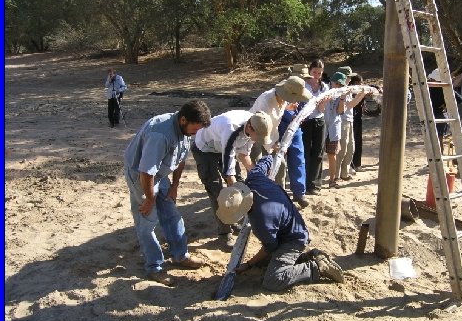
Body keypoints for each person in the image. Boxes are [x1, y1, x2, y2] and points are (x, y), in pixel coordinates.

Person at [216, 155, 345, 292]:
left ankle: (316, 267)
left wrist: (248, 264)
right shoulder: (254, 178)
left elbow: (269, 247)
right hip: (292, 225)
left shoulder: (261, 220)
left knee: (273, 279)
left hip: (294, 239)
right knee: (265, 263)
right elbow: (267, 160)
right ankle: (306, 257)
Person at [123, 100, 212, 284]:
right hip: (141, 176)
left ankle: (180, 256)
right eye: (195, 130)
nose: (197, 134)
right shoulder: (160, 135)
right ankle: (154, 267)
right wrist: (149, 198)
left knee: (172, 214)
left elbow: (179, 159)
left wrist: (174, 186)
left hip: (161, 174)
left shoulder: (187, 128)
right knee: (147, 221)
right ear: (183, 120)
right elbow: (146, 172)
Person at [191, 110, 273, 247]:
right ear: (249, 128)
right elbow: (229, 171)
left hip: (224, 149)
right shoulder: (231, 129)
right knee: (219, 192)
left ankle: (233, 220)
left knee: (240, 184)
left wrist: (257, 175)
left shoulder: (254, 123)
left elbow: (243, 155)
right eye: (257, 136)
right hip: (205, 149)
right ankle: (224, 234)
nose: (257, 140)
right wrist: (233, 190)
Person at [249, 75, 312, 161]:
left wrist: (288, 107)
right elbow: (261, 127)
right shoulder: (265, 102)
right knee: (257, 167)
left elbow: (278, 108)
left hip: (272, 136)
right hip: (255, 134)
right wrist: (272, 145)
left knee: (279, 166)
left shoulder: (283, 98)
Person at [301, 60, 329, 196]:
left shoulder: (324, 87)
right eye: (314, 72)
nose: (317, 75)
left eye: (319, 73)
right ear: (309, 71)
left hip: (319, 120)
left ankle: (315, 185)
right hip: (305, 121)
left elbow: (321, 109)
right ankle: (304, 184)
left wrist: (323, 102)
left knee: (318, 152)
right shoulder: (303, 86)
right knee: (305, 152)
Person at [334, 66, 368, 182]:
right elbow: (345, 107)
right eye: (349, 77)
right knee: (342, 150)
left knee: (350, 148)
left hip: (349, 120)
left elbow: (352, 105)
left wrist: (361, 95)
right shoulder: (340, 90)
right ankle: (336, 175)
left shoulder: (348, 89)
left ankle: (345, 172)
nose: (350, 80)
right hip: (342, 121)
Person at [278, 104, 308, 208]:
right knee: (279, 164)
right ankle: (279, 195)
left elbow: (306, 109)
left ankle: (299, 193)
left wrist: (302, 116)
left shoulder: (303, 95)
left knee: (298, 160)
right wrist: (288, 115)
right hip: (278, 128)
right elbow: (274, 110)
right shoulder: (276, 94)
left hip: (295, 129)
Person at [323, 72, 346, 188]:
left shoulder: (341, 93)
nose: (337, 86)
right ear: (331, 81)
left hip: (334, 127)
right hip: (321, 126)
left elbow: (340, 111)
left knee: (332, 154)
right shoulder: (324, 89)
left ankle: (332, 180)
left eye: (340, 84)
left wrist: (342, 98)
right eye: (336, 83)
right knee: (316, 154)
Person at [427, 68, 447, 152]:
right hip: (437, 115)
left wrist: (445, 105)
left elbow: (459, 99)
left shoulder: (435, 90)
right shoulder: (443, 89)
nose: (430, 80)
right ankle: (440, 155)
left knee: (437, 138)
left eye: (432, 79)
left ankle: (439, 155)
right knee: (438, 138)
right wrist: (445, 105)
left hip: (437, 115)